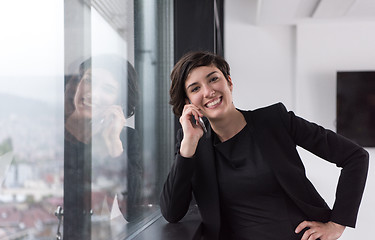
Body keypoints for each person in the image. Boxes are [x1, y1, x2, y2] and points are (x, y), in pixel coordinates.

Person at [160, 51, 369, 240]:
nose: (208, 91)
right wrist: (188, 145)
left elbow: (354, 156)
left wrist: (338, 223)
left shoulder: (274, 120)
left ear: (229, 82)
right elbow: (172, 212)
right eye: (195, 88)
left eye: (213, 79)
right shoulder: (192, 143)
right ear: (188, 102)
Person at [64, 55, 143, 239]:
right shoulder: (52, 134)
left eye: (107, 89)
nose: (92, 93)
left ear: (119, 103)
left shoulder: (126, 138)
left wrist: (114, 144)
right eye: (89, 81)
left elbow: (132, 209)